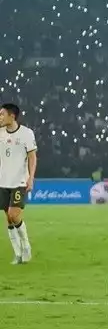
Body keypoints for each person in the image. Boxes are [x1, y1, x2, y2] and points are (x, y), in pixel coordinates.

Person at [0, 104, 36, 264]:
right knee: (8, 218)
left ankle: (26, 246)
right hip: (3, 181)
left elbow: (32, 157)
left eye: (2, 114)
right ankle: (18, 253)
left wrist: (31, 178)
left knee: (14, 214)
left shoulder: (26, 133)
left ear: (12, 116)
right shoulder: (0, 133)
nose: (0, 117)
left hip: (19, 181)